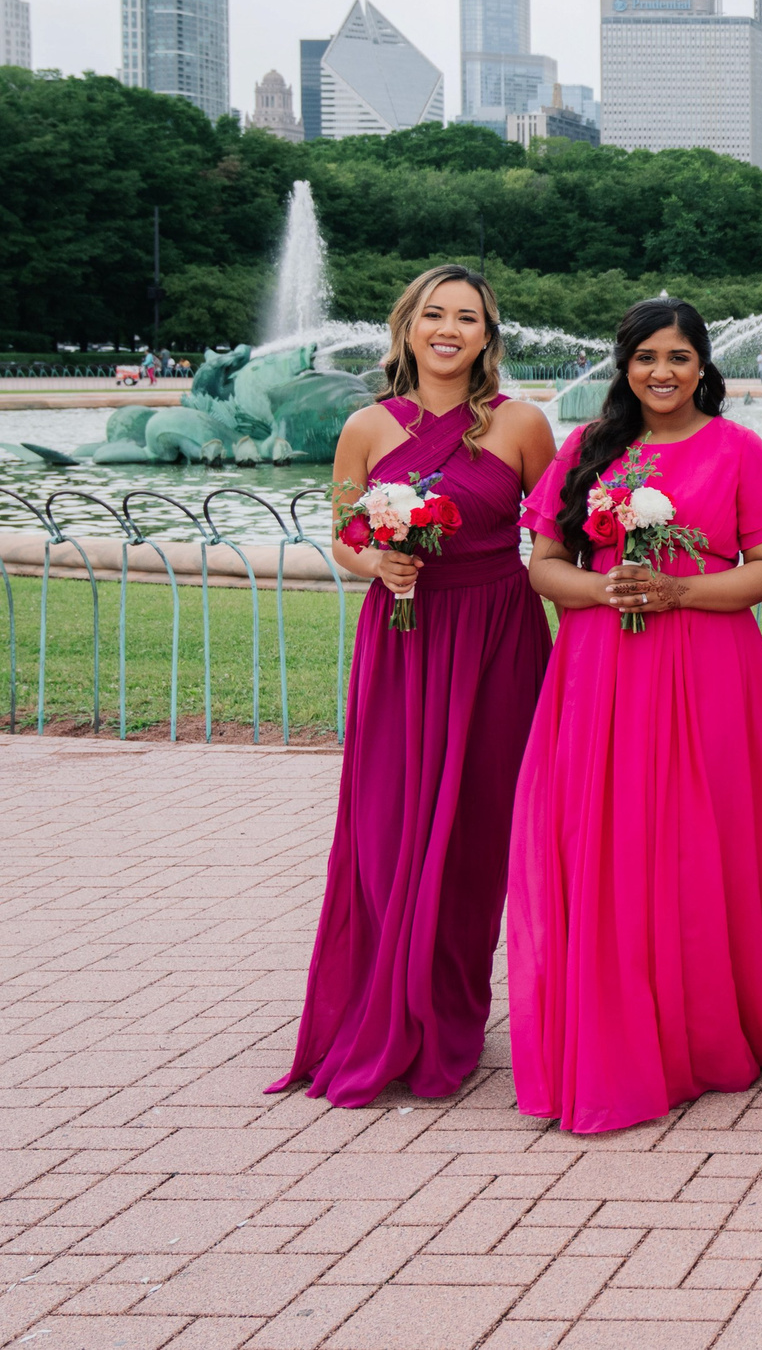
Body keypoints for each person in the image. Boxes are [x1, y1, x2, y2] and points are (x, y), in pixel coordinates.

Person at [510, 297, 762, 1133]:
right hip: (602, 668)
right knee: (605, 839)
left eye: (679, 358)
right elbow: (544, 565)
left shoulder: (738, 449)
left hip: (712, 668)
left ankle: (702, 1028)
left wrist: (680, 590)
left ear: (703, 367)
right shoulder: (585, 450)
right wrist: (603, 589)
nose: (662, 372)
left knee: (704, 839)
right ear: (625, 366)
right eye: (646, 357)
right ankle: (616, 1020)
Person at [268, 265, 554, 1109]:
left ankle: (455, 1013)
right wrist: (377, 560)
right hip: (404, 640)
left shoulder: (522, 426)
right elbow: (345, 537)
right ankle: (388, 1006)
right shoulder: (364, 427)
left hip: (500, 637)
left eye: (469, 318)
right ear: (408, 326)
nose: (450, 329)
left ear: (487, 338)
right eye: (436, 314)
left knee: (477, 832)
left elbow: (557, 533)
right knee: (387, 828)